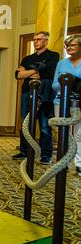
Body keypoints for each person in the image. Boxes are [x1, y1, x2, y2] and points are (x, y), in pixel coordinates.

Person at [13, 31, 59, 165]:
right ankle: (24, 151)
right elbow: (18, 75)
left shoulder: (53, 56)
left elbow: (49, 73)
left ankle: (46, 155)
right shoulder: (27, 58)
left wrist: (27, 72)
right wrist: (36, 71)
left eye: (39, 39)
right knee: (25, 123)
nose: (36, 42)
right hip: (27, 93)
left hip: (44, 95)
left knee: (45, 125)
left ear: (46, 41)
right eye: (34, 39)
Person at [52, 34, 81, 176]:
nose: (69, 48)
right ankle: (63, 161)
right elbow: (54, 85)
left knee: (79, 134)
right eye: (67, 45)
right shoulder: (61, 63)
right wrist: (67, 83)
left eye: (72, 45)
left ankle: (79, 163)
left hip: (79, 103)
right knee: (63, 133)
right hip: (61, 101)